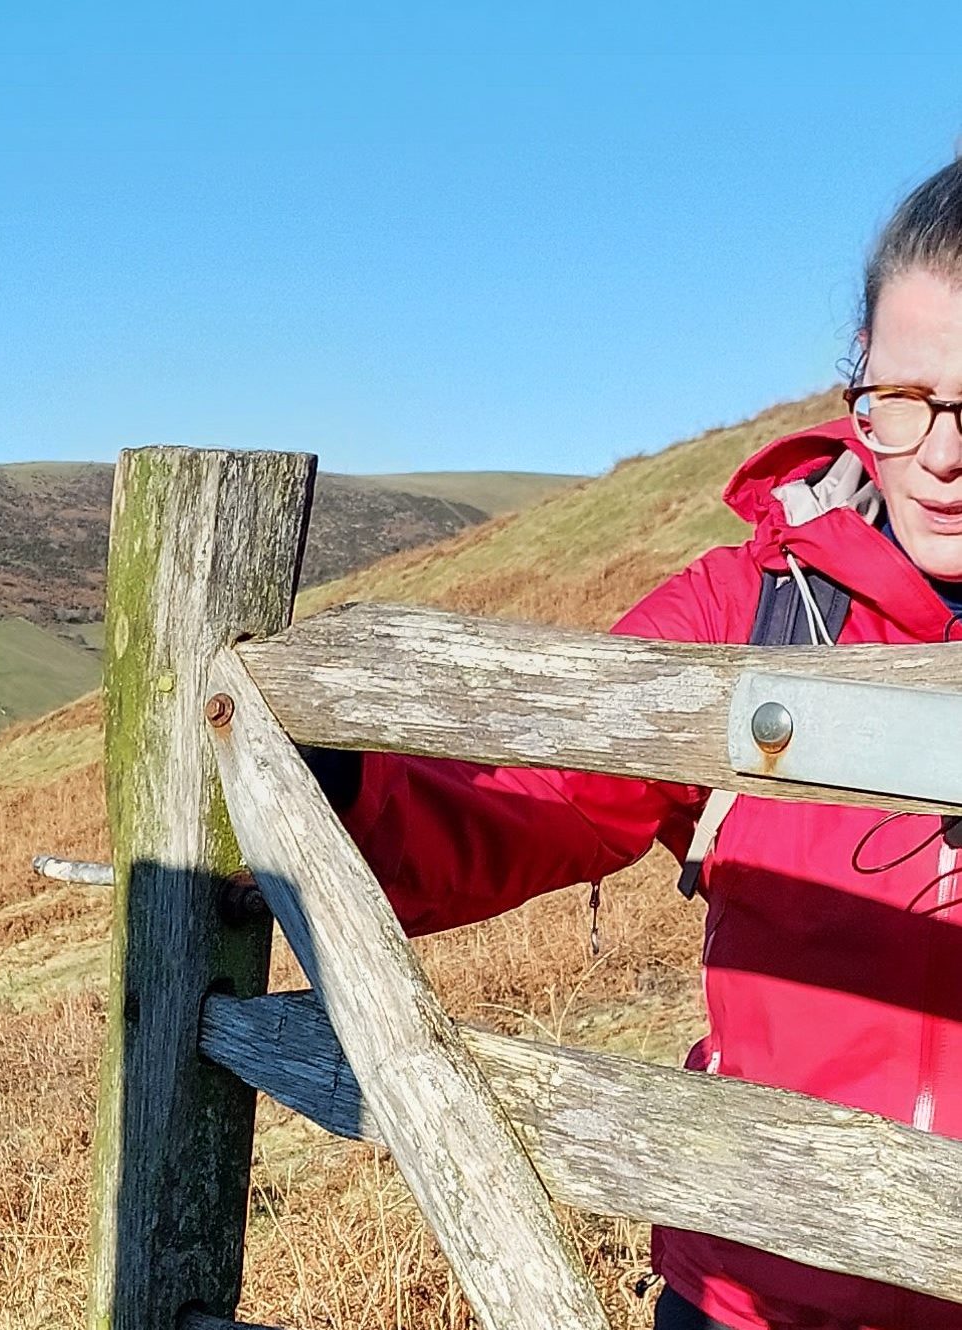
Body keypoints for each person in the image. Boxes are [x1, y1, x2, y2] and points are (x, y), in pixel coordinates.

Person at [324, 157, 962, 1330]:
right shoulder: (752, 609)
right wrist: (333, 787)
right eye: (900, 397)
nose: (936, 453)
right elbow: (542, 793)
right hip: (749, 1298)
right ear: (856, 380)